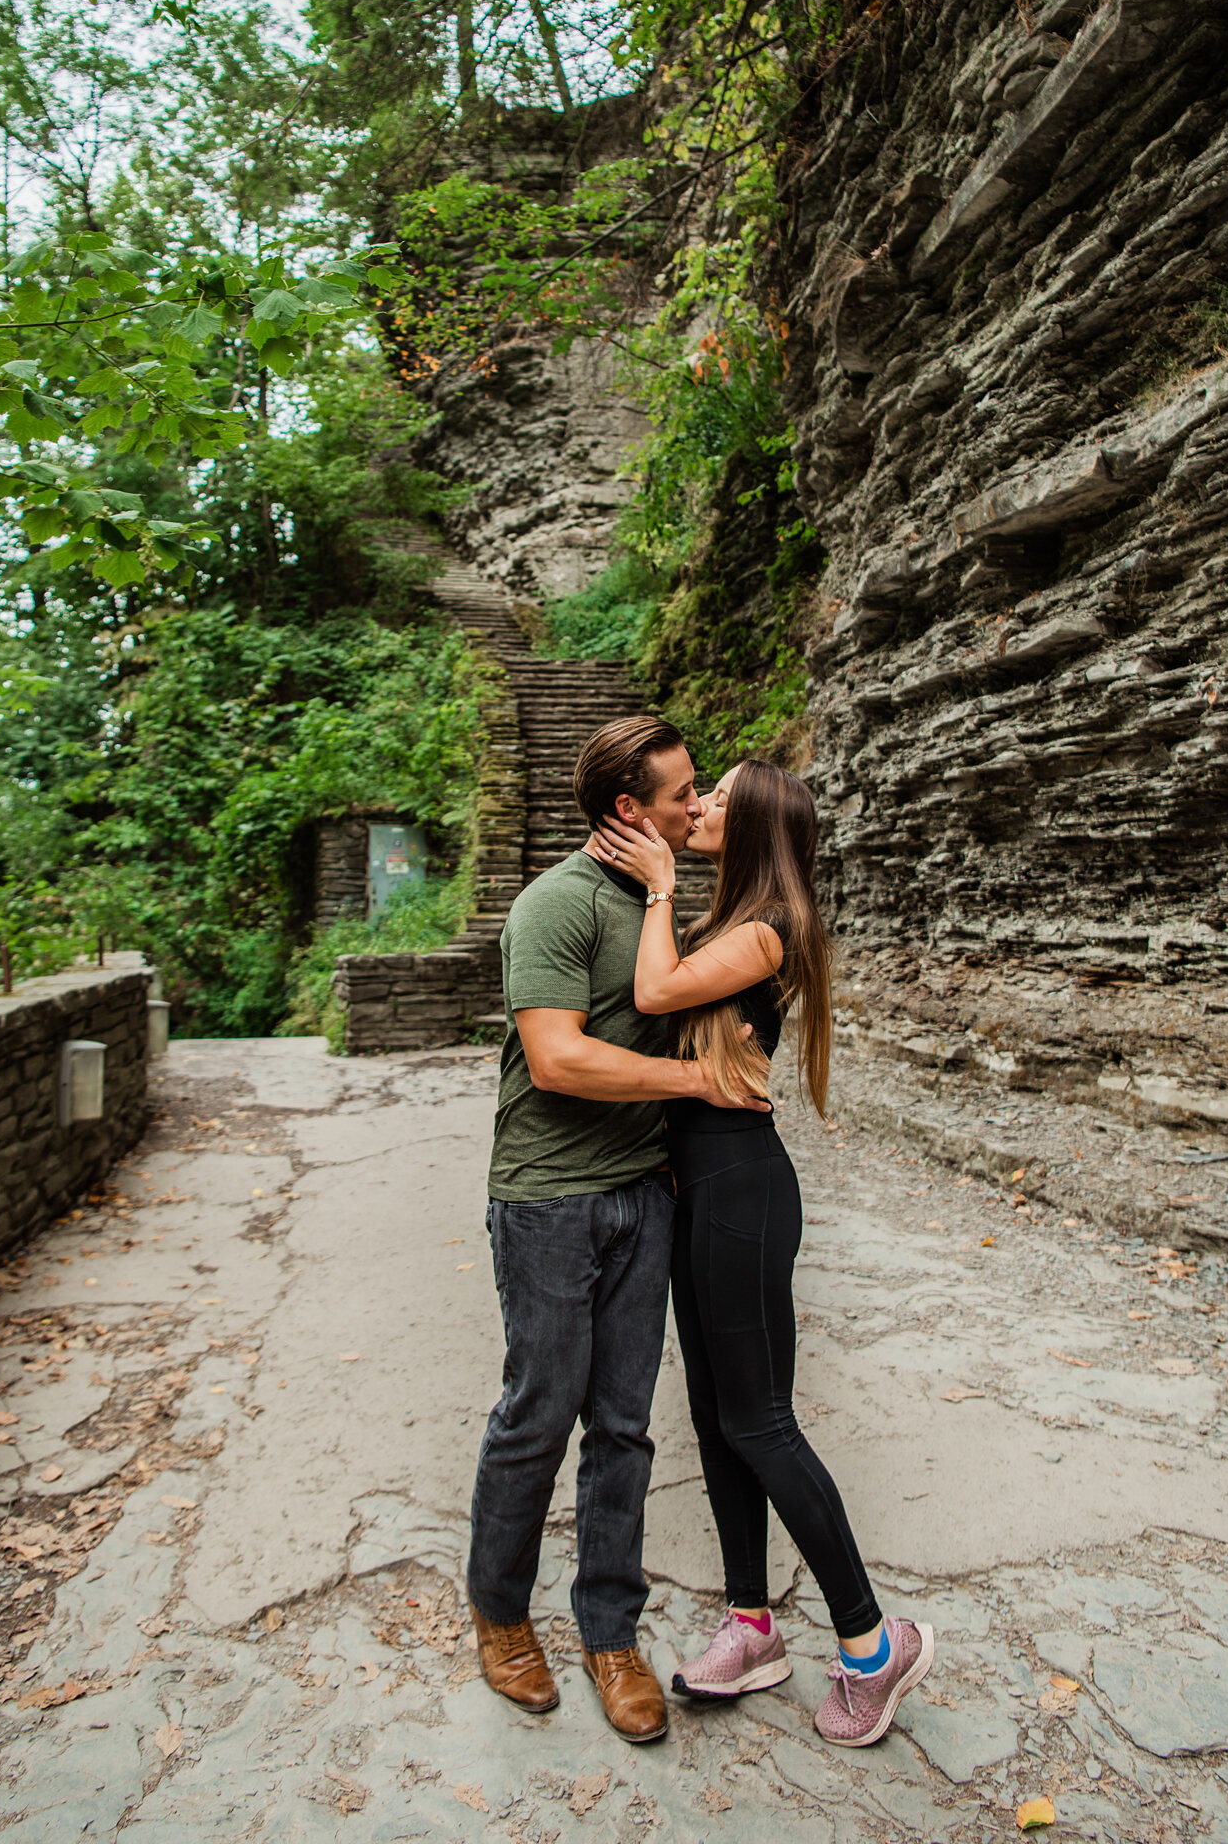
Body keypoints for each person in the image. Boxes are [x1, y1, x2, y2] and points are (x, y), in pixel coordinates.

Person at [597, 757, 934, 1748]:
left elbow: (655, 985)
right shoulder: (726, 920)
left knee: (760, 1420)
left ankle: (874, 1643)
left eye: (713, 799)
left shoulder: (766, 928)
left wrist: (656, 883)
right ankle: (750, 1623)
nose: (693, 807)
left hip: (740, 1187)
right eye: (694, 797)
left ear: (751, 825)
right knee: (716, 1414)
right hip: (696, 1187)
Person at [466, 715, 770, 1746]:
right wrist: (700, 1080)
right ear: (628, 808)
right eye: (682, 792)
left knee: (626, 1427)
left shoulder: (664, 902)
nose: (695, 806)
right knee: (537, 1413)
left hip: (645, 1192)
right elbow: (556, 1059)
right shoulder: (552, 903)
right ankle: (502, 1615)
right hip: (548, 1195)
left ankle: (610, 1631)